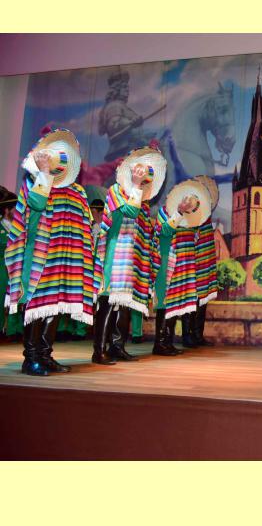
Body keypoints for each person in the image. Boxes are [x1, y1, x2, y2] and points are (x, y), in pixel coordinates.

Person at [5, 129, 94, 375]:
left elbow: (85, 225)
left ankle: (45, 355)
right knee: (37, 305)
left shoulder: (76, 191)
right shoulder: (34, 183)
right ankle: (31, 358)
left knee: (55, 306)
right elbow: (36, 205)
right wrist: (43, 172)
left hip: (65, 260)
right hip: (38, 257)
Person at [93, 146, 166, 364]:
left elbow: (145, 232)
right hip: (116, 257)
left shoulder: (143, 203)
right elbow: (130, 211)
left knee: (125, 303)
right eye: (139, 173)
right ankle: (99, 350)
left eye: (145, 177)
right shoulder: (116, 191)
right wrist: (135, 185)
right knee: (108, 300)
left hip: (132, 261)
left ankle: (117, 346)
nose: (143, 178)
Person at [150, 179, 211, 355]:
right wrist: (178, 213)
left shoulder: (191, 219)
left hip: (183, 266)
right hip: (167, 264)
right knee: (164, 303)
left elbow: (193, 240)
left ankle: (167, 341)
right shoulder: (165, 212)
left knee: (175, 303)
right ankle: (160, 343)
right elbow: (163, 232)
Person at [192, 175, 219, 346]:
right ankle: (189, 336)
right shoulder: (191, 216)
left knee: (203, 301)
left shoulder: (206, 216)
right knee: (193, 301)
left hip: (205, 263)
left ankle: (198, 335)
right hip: (194, 263)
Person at [0, 186, 21, 340]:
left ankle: (14, 330)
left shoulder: (19, 227)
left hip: (16, 268)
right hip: (2, 268)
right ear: (7, 210)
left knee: (16, 299)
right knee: (1, 298)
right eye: (15, 209)